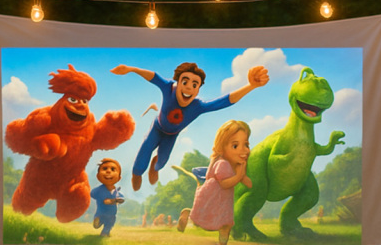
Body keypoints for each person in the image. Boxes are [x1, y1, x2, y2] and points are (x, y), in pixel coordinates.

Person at [111, 61, 269, 191]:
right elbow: (153, 77)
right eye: (185, 82)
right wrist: (132, 69)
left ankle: (155, 165)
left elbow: (225, 101)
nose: (188, 87)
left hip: (171, 136)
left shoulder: (198, 106)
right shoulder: (168, 88)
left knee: (162, 162)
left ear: (198, 89)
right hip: (157, 129)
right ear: (178, 82)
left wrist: (251, 86)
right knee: (140, 161)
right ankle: (136, 174)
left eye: (195, 85)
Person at [177, 120, 251, 245]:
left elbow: (244, 181)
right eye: (235, 146)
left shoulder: (232, 164)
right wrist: (239, 176)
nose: (243, 150)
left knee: (225, 224)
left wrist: (244, 178)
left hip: (220, 199)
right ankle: (187, 214)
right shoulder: (222, 163)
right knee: (203, 220)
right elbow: (225, 184)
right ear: (222, 147)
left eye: (246, 145)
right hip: (213, 196)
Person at [90, 158, 125, 238]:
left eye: (113, 169)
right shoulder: (100, 189)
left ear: (119, 178)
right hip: (101, 212)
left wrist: (120, 199)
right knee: (101, 221)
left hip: (112, 214)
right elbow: (101, 199)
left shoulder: (116, 191)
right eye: (105, 168)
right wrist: (114, 200)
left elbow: (121, 198)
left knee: (110, 224)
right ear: (98, 176)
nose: (108, 171)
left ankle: (105, 233)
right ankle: (98, 222)